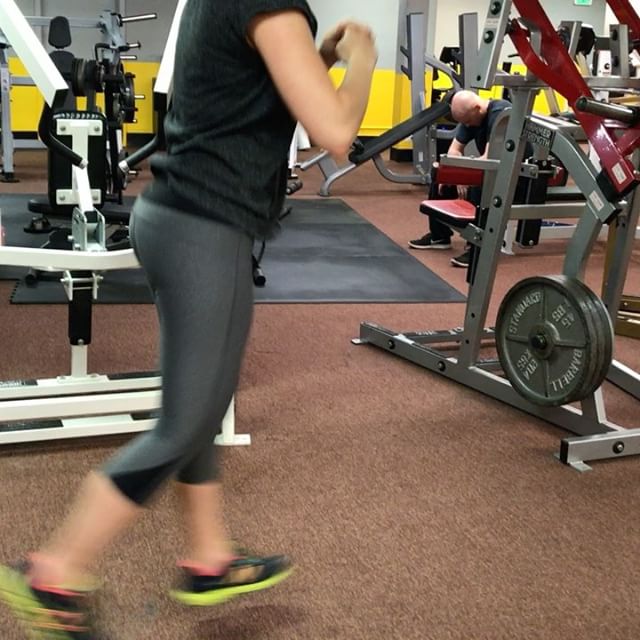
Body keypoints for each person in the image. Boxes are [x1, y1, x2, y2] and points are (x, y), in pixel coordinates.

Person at [0, 2, 377, 637]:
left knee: (204, 398)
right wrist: (363, 56)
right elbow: (335, 130)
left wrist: (325, 57)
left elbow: (259, 93)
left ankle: (208, 557)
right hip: (205, 225)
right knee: (183, 423)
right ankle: (55, 570)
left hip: (185, 217)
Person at [408, 90, 511, 268]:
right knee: (442, 173)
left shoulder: (501, 116)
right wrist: (456, 173)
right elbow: (453, 150)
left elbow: (489, 158)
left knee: (479, 183)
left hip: (516, 176)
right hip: (492, 171)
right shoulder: (471, 115)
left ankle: (478, 245)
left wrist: (464, 173)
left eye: (468, 122)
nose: (467, 126)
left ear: (477, 108)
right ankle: (439, 236)